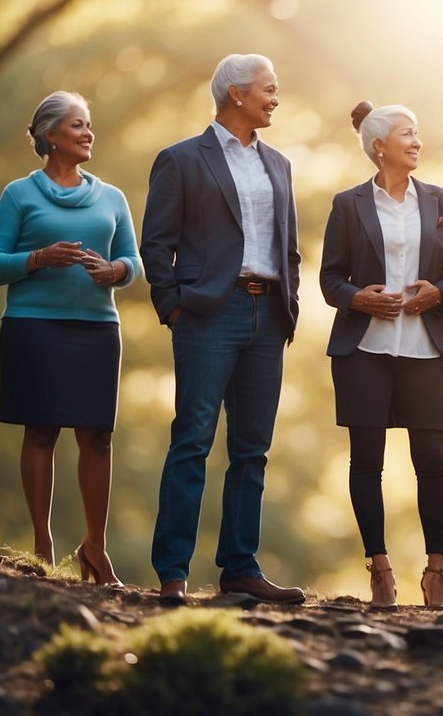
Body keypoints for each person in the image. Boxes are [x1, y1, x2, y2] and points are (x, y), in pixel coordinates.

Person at [140, 54, 303, 605]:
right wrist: (173, 306)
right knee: (192, 438)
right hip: (209, 313)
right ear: (236, 93)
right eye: (268, 89)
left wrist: (290, 304)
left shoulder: (279, 163)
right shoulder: (182, 159)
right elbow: (155, 243)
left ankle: (240, 566)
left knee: (252, 447)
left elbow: (290, 246)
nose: (276, 98)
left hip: (268, 316)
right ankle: (173, 571)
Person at [0, 91, 140, 586]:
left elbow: (136, 262)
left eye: (89, 125)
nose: (88, 133)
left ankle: (95, 547)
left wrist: (114, 270)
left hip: (96, 329)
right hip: (34, 325)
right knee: (42, 431)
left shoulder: (112, 197)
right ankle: (43, 545)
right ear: (50, 135)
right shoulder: (18, 195)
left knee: (98, 437)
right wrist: (38, 259)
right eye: (77, 125)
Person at [321, 101, 443, 610]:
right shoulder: (348, 204)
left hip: (425, 348)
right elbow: (330, 279)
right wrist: (359, 297)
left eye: (418, 134)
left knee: (431, 458)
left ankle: (435, 573)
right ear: (379, 144)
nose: (417, 142)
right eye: (407, 133)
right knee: (368, 462)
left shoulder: (442, 201)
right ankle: (380, 571)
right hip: (363, 348)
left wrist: (440, 294)